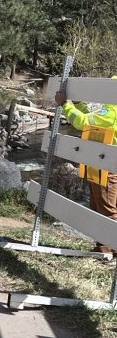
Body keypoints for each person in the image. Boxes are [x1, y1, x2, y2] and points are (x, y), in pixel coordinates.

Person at [55, 83, 117, 253]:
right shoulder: (110, 110)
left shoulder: (112, 111)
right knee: (98, 206)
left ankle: (108, 248)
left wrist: (65, 104)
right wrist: (79, 104)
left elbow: (84, 122)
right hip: (101, 162)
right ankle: (103, 246)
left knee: (106, 208)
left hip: (106, 165)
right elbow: (93, 117)